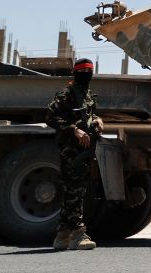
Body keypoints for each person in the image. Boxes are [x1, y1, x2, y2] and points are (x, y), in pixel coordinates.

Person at [46, 58, 103, 251]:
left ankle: (62, 235)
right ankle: (78, 234)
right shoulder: (66, 94)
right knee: (75, 191)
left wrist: (97, 120)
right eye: (82, 71)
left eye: (89, 71)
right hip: (71, 150)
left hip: (85, 149)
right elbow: (50, 116)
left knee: (76, 191)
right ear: (75, 73)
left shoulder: (88, 95)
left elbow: (89, 115)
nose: (86, 75)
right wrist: (74, 130)